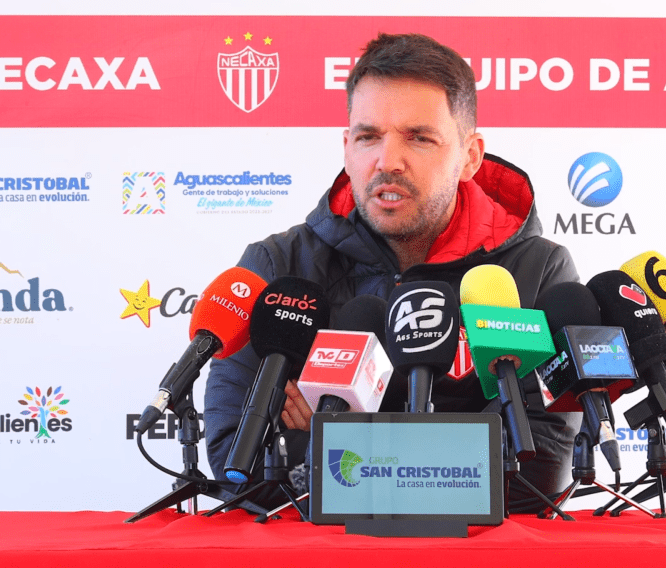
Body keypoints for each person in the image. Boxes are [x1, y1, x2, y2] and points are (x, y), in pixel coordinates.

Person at [203, 32, 580, 511]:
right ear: (346, 147)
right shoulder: (277, 267)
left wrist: (326, 436)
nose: (387, 161)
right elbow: (237, 457)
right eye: (368, 137)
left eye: (419, 138)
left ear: (471, 156)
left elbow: (541, 463)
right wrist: (463, 448)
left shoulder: (537, 271)